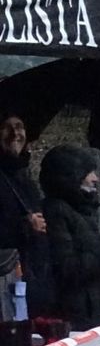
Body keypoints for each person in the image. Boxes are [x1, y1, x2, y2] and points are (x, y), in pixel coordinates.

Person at [38, 146, 100, 334]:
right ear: (71, 176)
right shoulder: (56, 212)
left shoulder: (81, 212)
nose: (95, 179)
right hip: (79, 318)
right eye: (88, 173)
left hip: (96, 313)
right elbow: (66, 267)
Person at [0, 112, 50, 321]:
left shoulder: (23, 177)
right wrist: (25, 226)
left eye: (19, 126)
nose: (15, 133)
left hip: (29, 278)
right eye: (6, 127)